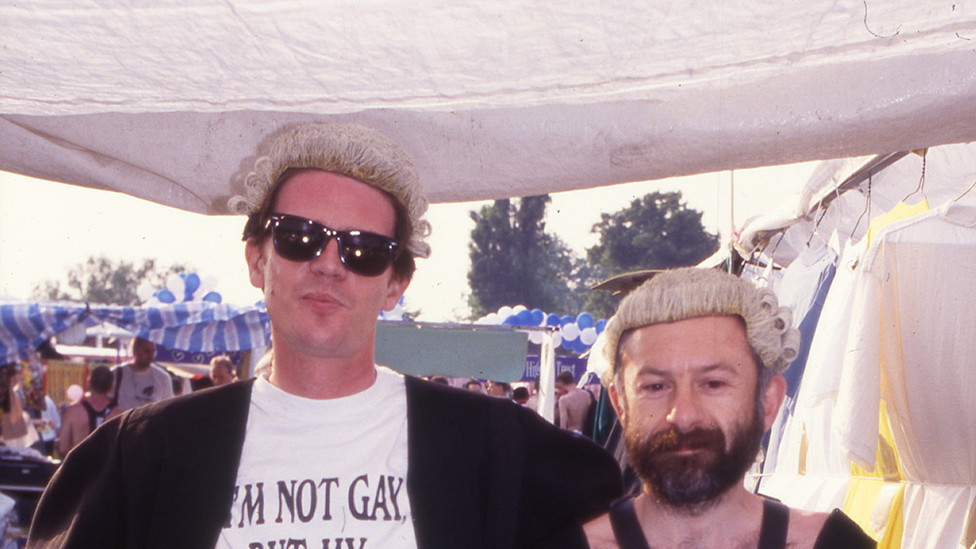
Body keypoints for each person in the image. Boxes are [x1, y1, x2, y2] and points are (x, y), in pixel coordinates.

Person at [28, 122, 621, 549]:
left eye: (365, 250)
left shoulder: (487, 444)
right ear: (257, 260)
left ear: (395, 285)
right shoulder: (149, 452)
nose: (330, 264)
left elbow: (644, 517)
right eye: (299, 237)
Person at [580, 267, 875, 548]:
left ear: (768, 402)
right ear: (620, 406)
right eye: (656, 387)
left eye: (713, 384)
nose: (683, 415)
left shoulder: (834, 544)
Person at [57, 365, 120, 455]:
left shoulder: (73, 411)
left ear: (89, 383)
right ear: (111, 388)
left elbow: (63, 448)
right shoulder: (118, 415)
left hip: (79, 462)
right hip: (106, 463)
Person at [110, 337, 174, 411]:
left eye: (153, 351)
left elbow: (168, 407)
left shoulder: (163, 378)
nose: (150, 355)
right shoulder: (116, 374)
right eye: (147, 351)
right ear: (135, 351)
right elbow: (106, 401)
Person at [556, 370, 593, 434]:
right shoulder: (587, 395)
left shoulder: (564, 400)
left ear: (561, 382)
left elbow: (563, 425)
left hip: (572, 434)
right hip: (586, 434)